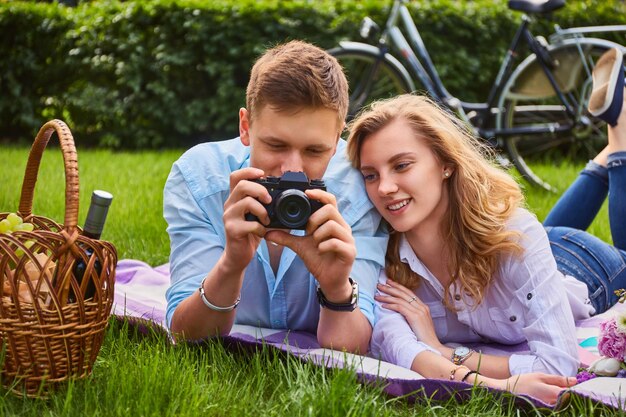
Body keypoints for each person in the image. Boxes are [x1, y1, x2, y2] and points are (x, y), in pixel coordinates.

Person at [345, 47, 625, 405]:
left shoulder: (515, 234)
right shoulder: (382, 258)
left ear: (445, 163)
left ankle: (618, 142)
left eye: (401, 166)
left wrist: (444, 351)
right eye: (371, 175)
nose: (383, 188)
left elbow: (557, 364)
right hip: (527, 250)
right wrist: (491, 376)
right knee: (525, 235)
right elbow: (396, 347)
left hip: (585, 268)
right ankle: (606, 152)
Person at [163, 40, 387, 353]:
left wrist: (336, 288)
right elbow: (185, 333)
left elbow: (350, 349)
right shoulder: (199, 179)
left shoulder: (355, 192)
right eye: (276, 146)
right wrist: (231, 264)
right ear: (246, 127)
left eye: (314, 151)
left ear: (336, 142)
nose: (291, 169)